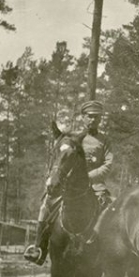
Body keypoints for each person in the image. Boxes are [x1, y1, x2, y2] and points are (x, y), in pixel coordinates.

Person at [24, 100, 114, 265]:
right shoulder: (70, 137)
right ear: (83, 117)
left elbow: (108, 165)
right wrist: (53, 178)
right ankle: (39, 248)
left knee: (112, 210)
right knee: (46, 205)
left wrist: (90, 177)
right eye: (90, 116)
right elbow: (58, 161)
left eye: (97, 117)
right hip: (67, 186)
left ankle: (108, 254)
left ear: (100, 119)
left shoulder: (105, 141)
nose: (93, 120)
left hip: (95, 186)